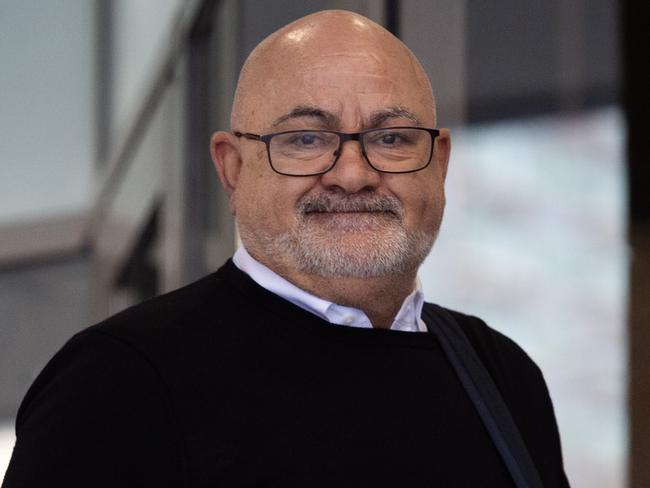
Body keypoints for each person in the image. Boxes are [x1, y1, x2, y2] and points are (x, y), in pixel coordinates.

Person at [3, 10, 570, 488]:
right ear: (232, 168)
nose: (353, 174)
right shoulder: (119, 381)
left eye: (391, 138)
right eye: (305, 139)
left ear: (439, 164)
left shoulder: (500, 374)